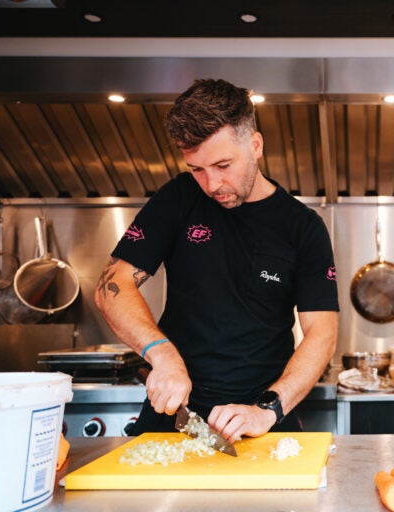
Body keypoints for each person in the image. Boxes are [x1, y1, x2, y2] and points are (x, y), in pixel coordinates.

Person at [94, 78, 339, 442]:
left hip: (260, 422)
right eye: (197, 168)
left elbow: (322, 333)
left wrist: (268, 410)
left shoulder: (302, 227)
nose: (210, 184)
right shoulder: (178, 199)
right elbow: (112, 285)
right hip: (174, 415)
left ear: (255, 145)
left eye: (223, 164)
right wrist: (161, 354)